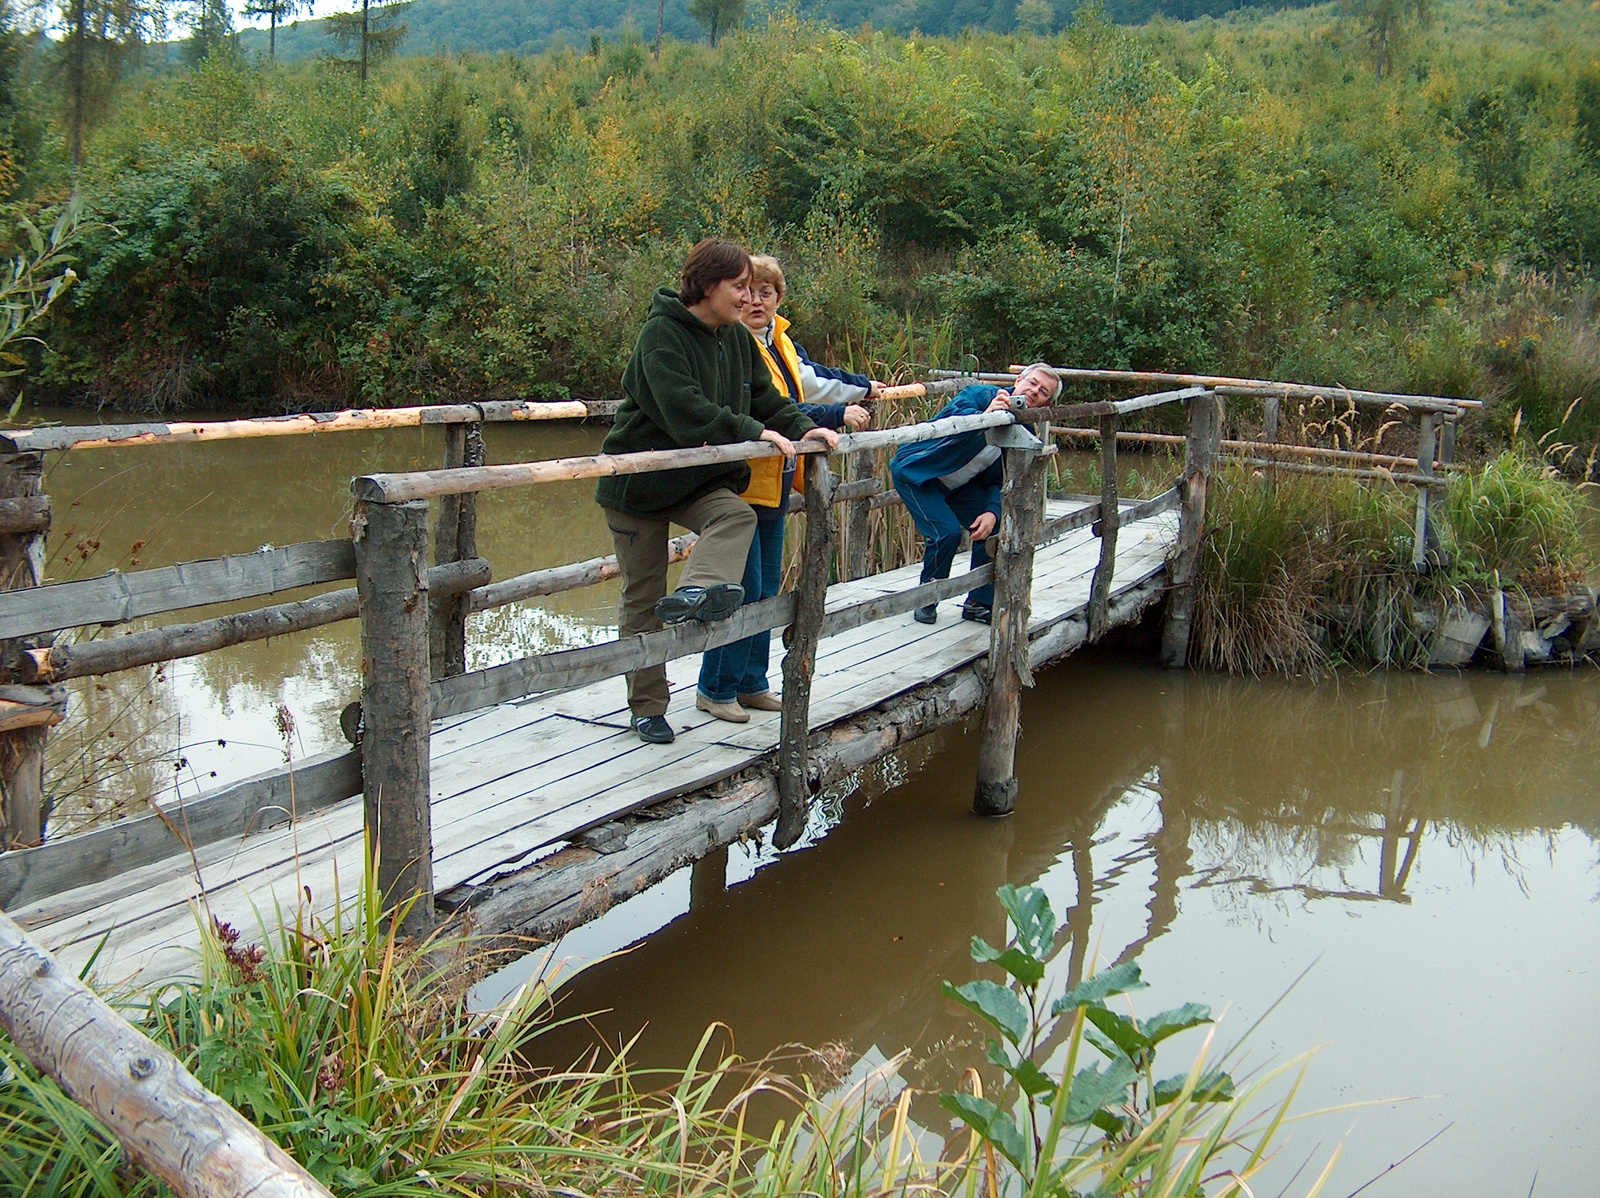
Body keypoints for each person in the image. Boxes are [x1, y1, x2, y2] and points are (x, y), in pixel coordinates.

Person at [597, 239, 839, 745]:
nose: (748, 297)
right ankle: (647, 707)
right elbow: (684, 411)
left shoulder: (736, 338)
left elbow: (765, 398)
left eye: (754, 288)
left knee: (736, 515)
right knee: (642, 598)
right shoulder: (660, 335)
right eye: (740, 287)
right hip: (638, 486)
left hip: (697, 481)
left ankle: (696, 591)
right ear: (708, 286)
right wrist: (751, 431)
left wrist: (803, 428)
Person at [694, 255, 885, 724]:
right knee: (744, 586)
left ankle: (751, 682)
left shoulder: (776, 342)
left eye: (766, 292)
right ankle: (715, 687)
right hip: (742, 480)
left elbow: (803, 387)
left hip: (775, 477)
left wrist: (858, 390)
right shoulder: (732, 345)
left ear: (779, 299)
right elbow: (763, 407)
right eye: (748, 291)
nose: (755, 300)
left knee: (766, 584)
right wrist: (833, 417)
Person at [889, 363, 1062, 626]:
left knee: (996, 528)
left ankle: (978, 603)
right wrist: (985, 416)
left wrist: (993, 511)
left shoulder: (1025, 431)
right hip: (919, 473)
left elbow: (1004, 479)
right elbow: (952, 419)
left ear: (1046, 405)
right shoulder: (981, 396)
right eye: (1032, 383)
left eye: (1043, 392)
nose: (1034, 391)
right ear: (1018, 380)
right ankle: (926, 599)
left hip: (960, 485)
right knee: (945, 533)